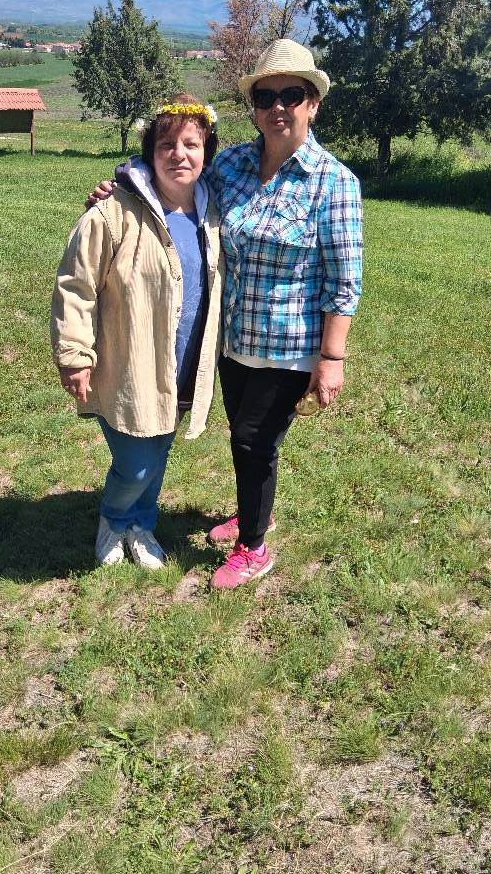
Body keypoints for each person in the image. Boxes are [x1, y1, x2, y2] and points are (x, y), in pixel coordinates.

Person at [91, 39, 363, 590]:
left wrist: (331, 358)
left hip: (289, 347)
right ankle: (252, 510)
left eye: (292, 95)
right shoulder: (233, 164)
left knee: (252, 441)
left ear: (313, 104)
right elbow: (174, 172)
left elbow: (344, 282)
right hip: (229, 341)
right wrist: (121, 186)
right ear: (254, 108)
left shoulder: (335, 183)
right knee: (246, 434)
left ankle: (253, 547)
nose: (278, 106)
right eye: (266, 96)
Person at [51, 96, 223, 570]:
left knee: (159, 450)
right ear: (151, 152)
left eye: (191, 144)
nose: (179, 154)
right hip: (128, 363)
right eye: (167, 144)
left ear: (206, 152)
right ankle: (113, 519)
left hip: (184, 364)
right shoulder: (113, 213)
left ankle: (141, 525)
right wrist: (74, 355)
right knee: (136, 462)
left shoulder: (213, 213)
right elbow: (76, 285)